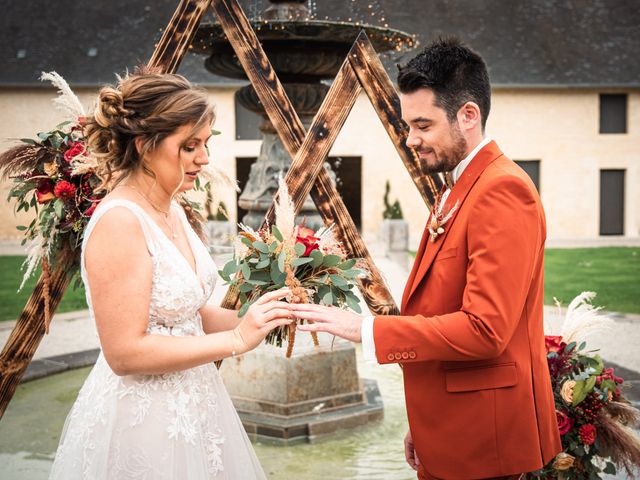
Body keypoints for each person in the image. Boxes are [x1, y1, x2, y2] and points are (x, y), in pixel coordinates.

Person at [292, 37, 562, 479]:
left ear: (468, 116)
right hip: (453, 423)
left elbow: (485, 330)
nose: (411, 139)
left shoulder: (502, 190)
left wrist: (365, 329)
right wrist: (427, 421)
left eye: (422, 125)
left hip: (483, 442)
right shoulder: (460, 184)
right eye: (407, 125)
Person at [49, 68, 292, 479]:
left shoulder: (172, 208)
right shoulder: (120, 222)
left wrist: (261, 318)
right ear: (145, 146)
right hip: (144, 421)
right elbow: (124, 353)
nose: (205, 158)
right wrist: (235, 340)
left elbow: (188, 316)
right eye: (189, 146)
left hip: (196, 404)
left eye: (205, 144)